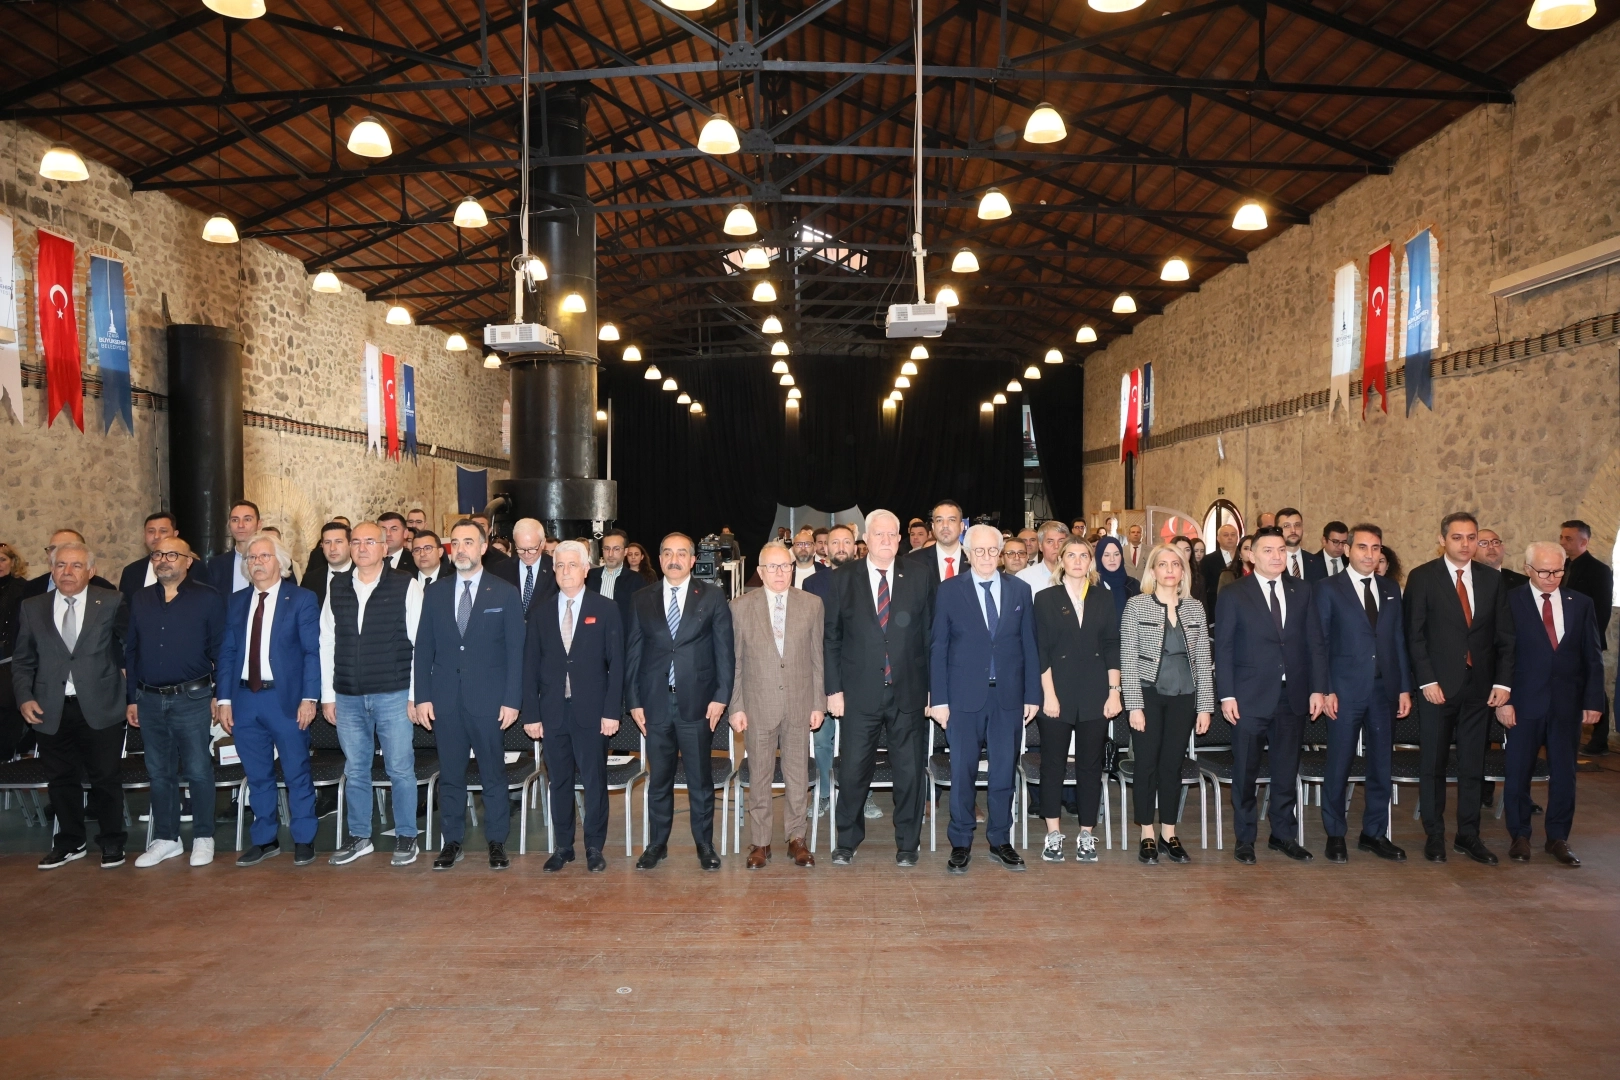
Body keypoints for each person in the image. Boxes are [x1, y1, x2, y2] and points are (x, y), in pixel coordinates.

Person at [414, 520, 526, 871]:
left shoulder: (504, 592)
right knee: (450, 774)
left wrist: (512, 700)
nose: (460, 549)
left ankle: (497, 841)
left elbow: (516, 652)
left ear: (483, 548)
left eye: (468, 542)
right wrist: (422, 696)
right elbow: (423, 648)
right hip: (445, 700)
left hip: (489, 700)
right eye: (455, 543)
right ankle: (452, 841)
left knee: (493, 773)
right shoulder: (436, 592)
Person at [11, 541, 131, 870]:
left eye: (76, 565)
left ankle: (112, 841)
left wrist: (128, 687)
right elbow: (22, 660)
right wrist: (24, 697)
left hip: (101, 705)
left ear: (91, 571)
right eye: (61, 565)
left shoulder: (111, 601)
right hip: (49, 707)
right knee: (61, 780)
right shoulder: (33, 607)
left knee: (105, 778)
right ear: (51, 570)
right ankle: (69, 842)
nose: (68, 571)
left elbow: (130, 647)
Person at [823, 510, 933, 866]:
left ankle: (908, 844)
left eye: (892, 534)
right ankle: (847, 841)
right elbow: (831, 638)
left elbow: (930, 636)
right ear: (866, 540)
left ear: (900, 539)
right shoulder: (843, 578)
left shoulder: (919, 575)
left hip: (909, 692)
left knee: (910, 773)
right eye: (878, 534)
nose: (886, 540)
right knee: (853, 771)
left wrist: (932, 690)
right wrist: (833, 690)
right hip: (859, 693)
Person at [1404, 512, 1515, 864]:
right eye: (1457, 537)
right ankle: (1435, 835)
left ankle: (1468, 835)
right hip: (1437, 687)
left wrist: (1503, 682)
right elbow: (1414, 635)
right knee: (1433, 764)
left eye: (1471, 537)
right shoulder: (1423, 577)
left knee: (1472, 765)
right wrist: (1426, 680)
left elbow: (1505, 637)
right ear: (1442, 540)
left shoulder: (1491, 579)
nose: (1466, 544)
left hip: (1480, 688)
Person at [929, 525, 1040, 873]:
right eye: (979, 550)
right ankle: (961, 841)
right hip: (962, 699)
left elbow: (1029, 645)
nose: (987, 557)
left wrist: (1032, 694)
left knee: (1004, 773)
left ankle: (1000, 839)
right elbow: (938, 647)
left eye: (993, 550)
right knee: (962, 773)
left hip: (1008, 698)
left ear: (1002, 553)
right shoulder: (949, 591)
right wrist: (939, 699)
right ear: (967, 554)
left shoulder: (1020, 590)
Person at [1213, 526, 1328, 864]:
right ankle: (1245, 838)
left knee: (1285, 770)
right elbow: (1224, 648)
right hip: (1249, 697)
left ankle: (1283, 835)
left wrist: (1318, 688)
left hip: (1293, 695)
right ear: (1251, 555)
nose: (1277, 556)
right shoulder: (1234, 593)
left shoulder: (1302, 590)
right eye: (1268, 550)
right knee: (1245, 772)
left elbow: (1315, 643)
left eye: (1281, 550)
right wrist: (1227, 695)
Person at [625, 533, 734, 870]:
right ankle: (657, 844)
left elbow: (725, 651)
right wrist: (633, 701)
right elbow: (633, 653)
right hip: (654, 704)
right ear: (659, 559)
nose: (674, 559)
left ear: (692, 560)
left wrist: (721, 697)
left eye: (681, 553)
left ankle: (704, 845)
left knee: (700, 780)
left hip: (698, 704)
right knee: (659, 780)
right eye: (668, 553)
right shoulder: (641, 598)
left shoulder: (712, 596)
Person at [320, 523, 425, 868]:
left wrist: (415, 695)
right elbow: (327, 640)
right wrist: (327, 694)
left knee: (400, 768)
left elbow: (420, 642)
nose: (362, 548)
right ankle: (359, 836)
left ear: (384, 547)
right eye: (356, 542)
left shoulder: (406, 584)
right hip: (348, 694)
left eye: (370, 541)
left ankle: (407, 834)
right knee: (356, 769)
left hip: (393, 693)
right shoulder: (337, 586)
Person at [214, 535, 321, 867]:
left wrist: (309, 698)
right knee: (257, 774)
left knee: (296, 771)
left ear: (281, 562)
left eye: (264, 556)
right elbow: (227, 652)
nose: (257, 562)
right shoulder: (236, 601)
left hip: (286, 700)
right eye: (251, 558)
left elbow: (312, 652)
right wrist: (224, 698)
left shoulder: (301, 599)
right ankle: (265, 839)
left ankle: (304, 838)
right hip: (245, 699)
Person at [1498, 541, 1604, 866]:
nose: (1551, 578)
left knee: (1564, 774)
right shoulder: (1510, 601)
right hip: (1523, 702)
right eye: (1544, 571)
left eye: (1558, 571)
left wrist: (1593, 700)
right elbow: (1501, 654)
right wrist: (1503, 700)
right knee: (1518, 772)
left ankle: (1558, 837)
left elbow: (1592, 656)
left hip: (1566, 705)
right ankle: (1519, 835)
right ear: (1527, 569)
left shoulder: (1580, 603)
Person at [523, 540, 623, 874]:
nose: (565, 571)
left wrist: (611, 712)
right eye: (560, 565)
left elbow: (617, 666)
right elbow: (529, 666)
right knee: (559, 782)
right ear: (553, 571)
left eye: (572, 565)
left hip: (592, 713)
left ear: (586, 569)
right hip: (552, 712)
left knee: (594, 781)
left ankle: (594, 846)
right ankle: (563, 846)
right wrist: (531, 714)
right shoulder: (540, 612)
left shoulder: (605, 609)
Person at [125, 537, 226, 868]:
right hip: (149, 699)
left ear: (188, 561)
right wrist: (132, 698)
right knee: (159, 772)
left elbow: (221, 651)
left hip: (193, 698)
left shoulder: (208, 598)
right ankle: (167, 838)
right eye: (157, 554)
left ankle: (203, 836)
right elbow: (132, 650)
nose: (163, 560)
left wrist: (220, 695)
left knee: (198, 770)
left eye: (172, 554)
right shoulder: (140, 599)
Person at [1314, 524, 1410, 862]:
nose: (1370, 555)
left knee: (1381, 765)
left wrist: (1404, 688)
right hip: (1344, 691)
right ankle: (1335, 833)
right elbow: (1320, 643)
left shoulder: (1390, 589)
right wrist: (1325, 689)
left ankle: (1374, 833)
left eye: (1376, 548)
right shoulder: (1328, 588)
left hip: (1384, 691)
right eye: (1363, 547)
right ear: (1348, 550)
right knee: (1339, 763)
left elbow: (1398, 640)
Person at [729, 541, 824, 869]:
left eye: (785, 566)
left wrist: (818, 703)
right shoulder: (740, 607)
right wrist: (736, 706)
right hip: (757, 705)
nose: (780, 572)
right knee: (759, 776)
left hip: (799, 704)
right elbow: (735, 662)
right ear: (760, 571)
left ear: (792, 568)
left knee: (798, 775)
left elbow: (817, 659)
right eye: (772, 566)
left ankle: (797, 839)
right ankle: (761, 842)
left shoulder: (812, 604)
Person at [1120, 544, 1214, 865]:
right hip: (1148, 693)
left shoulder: (1195, 608)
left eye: (1176, 564)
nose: (1170, 569)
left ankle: (1169, 833)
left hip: (1185, 695)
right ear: (1153, 571)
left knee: (1172, 765)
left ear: (1183, 571)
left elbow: (1203, 661)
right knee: (1146, 763)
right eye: (1163, 564)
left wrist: (1205, 706)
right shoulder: (1136, 605)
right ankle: (1147, 832)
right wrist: (1133, 705)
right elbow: (1128, 659)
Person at [1034, 539, 1121, 864]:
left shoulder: (1103, 597)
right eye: (1070, 555)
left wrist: (1115, 691)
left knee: (1090, 765)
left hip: (1096, 691)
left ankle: (1086, 833)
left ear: (1090, 562)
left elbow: (1112, 644)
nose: (1077, 560)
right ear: (1061, 560)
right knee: (1053, 765)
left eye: (1083, 555)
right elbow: (1041, 649)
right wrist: (1048, 694)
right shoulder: (1045, 598)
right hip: (1056, 690)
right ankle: (1053, 833)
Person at [802, 523, 852, 804]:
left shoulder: (869, 578)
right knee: (822, 740)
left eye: (846, 542)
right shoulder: (813, 584)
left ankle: (861, 794)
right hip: (822, 670)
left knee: (859, 741)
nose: (841, 547)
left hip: (859, 671)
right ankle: (823, 793)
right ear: (825, 548)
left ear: (855, 547)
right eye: (835, 542)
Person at [1560, 520, 1613, 755]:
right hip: (1562, 637)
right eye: (1562, 537)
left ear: (1584, 541)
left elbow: (1601, 610)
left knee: (1593, 686)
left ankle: (1600, 740)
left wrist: (1589, 641)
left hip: (1585, 639)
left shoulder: (1599, 570)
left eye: (1568, 538)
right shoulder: (1561, 566)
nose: (1563, 542)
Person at [0, 542, 33, 762]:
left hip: (10, 658)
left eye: (2, 559)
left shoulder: (24, 588)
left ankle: (5, 761)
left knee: (7, 711)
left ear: (13, 562)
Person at [19, 528, 117, 600]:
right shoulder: (30, 589)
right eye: (52, 549)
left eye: (66, 548)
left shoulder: (105, 589)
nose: (57, 554)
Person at [493, 518, 557, 617]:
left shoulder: (556, 569)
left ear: (543, 543)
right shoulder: (500, 569)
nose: (526, 555)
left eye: (532, 549)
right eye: (521, 549)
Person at [587, 529, 642, 637]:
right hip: (593, 638)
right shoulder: (589, 577)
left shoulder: (636, 581)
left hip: (623, 640)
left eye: (616, 549)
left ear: (625, 551)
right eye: (607, 549)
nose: (610, 554)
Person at [118, 512, 179, 603]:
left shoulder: (194, 568)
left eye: (163, 531)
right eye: (151, 531)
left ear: (175, 534)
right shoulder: (131, 572)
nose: (156, 536)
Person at [905, 500, 967, 586]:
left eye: (951, 520)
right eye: (939, 520)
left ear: (961, 526)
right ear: (933, 527)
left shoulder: (975, 560)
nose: (945, 525)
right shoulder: (912, 561)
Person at [207, 501, 263, 595]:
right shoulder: (216, 565)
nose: (240, 525)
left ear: (259, 524)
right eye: (235, 520)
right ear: (229, 525)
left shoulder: (272, 561)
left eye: (247, 519)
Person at [300, 521, 353, 608]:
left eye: (338, 541)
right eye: (327, 542)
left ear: (350, 544)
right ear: (322, 546)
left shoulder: (363, 575)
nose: (332, 548)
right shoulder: (310, 580)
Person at [1093, 536, 1139, 619]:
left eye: (1116, 554)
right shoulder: (1091, 586)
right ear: (1099, 557)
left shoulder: (1134, 585)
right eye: (1106, 555)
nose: (1112, 559)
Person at [1200, 524, 1240, 616]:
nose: (1230, 538)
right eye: (1226, 535)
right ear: (1218, 538)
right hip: (1216, 607)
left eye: (1233, 535)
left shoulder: (1244, 558)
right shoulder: (1208, 560)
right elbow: (1203, 587)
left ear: (1237, 538)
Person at [1017, 521, 1066, 594]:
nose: (1056, 546)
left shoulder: (1078, 575)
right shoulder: (1024, 577)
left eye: (1061, 541)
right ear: (1040, 546)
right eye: (1050, 541)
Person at [1170, 536, 1204, 618]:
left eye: (1187, 550)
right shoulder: (1166, 576)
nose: (1183, 553)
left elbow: (1204, 608)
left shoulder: (1198, 578)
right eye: (1178, 549)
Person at [1276, 507, 1313, 581]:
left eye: (1297, 525)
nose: (1293, 530)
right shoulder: (1272, 562)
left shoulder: (1317, 562)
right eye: (1286, 526)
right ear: (1277, 530)